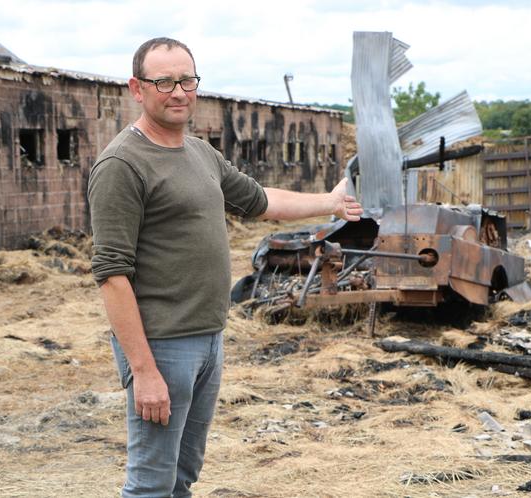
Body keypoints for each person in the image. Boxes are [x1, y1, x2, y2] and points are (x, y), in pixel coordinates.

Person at [88, 37, 363, 498]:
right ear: (137, 89)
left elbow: (260, 201)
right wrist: (144, 370)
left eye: (187, 80)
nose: (179, 92)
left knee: (182, 475)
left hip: (208, 340)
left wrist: (330, 203)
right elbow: (112, 276)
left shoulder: (199, 153)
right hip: (162, 346)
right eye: (164, 82)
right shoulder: (122, 164)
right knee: (151, 481)